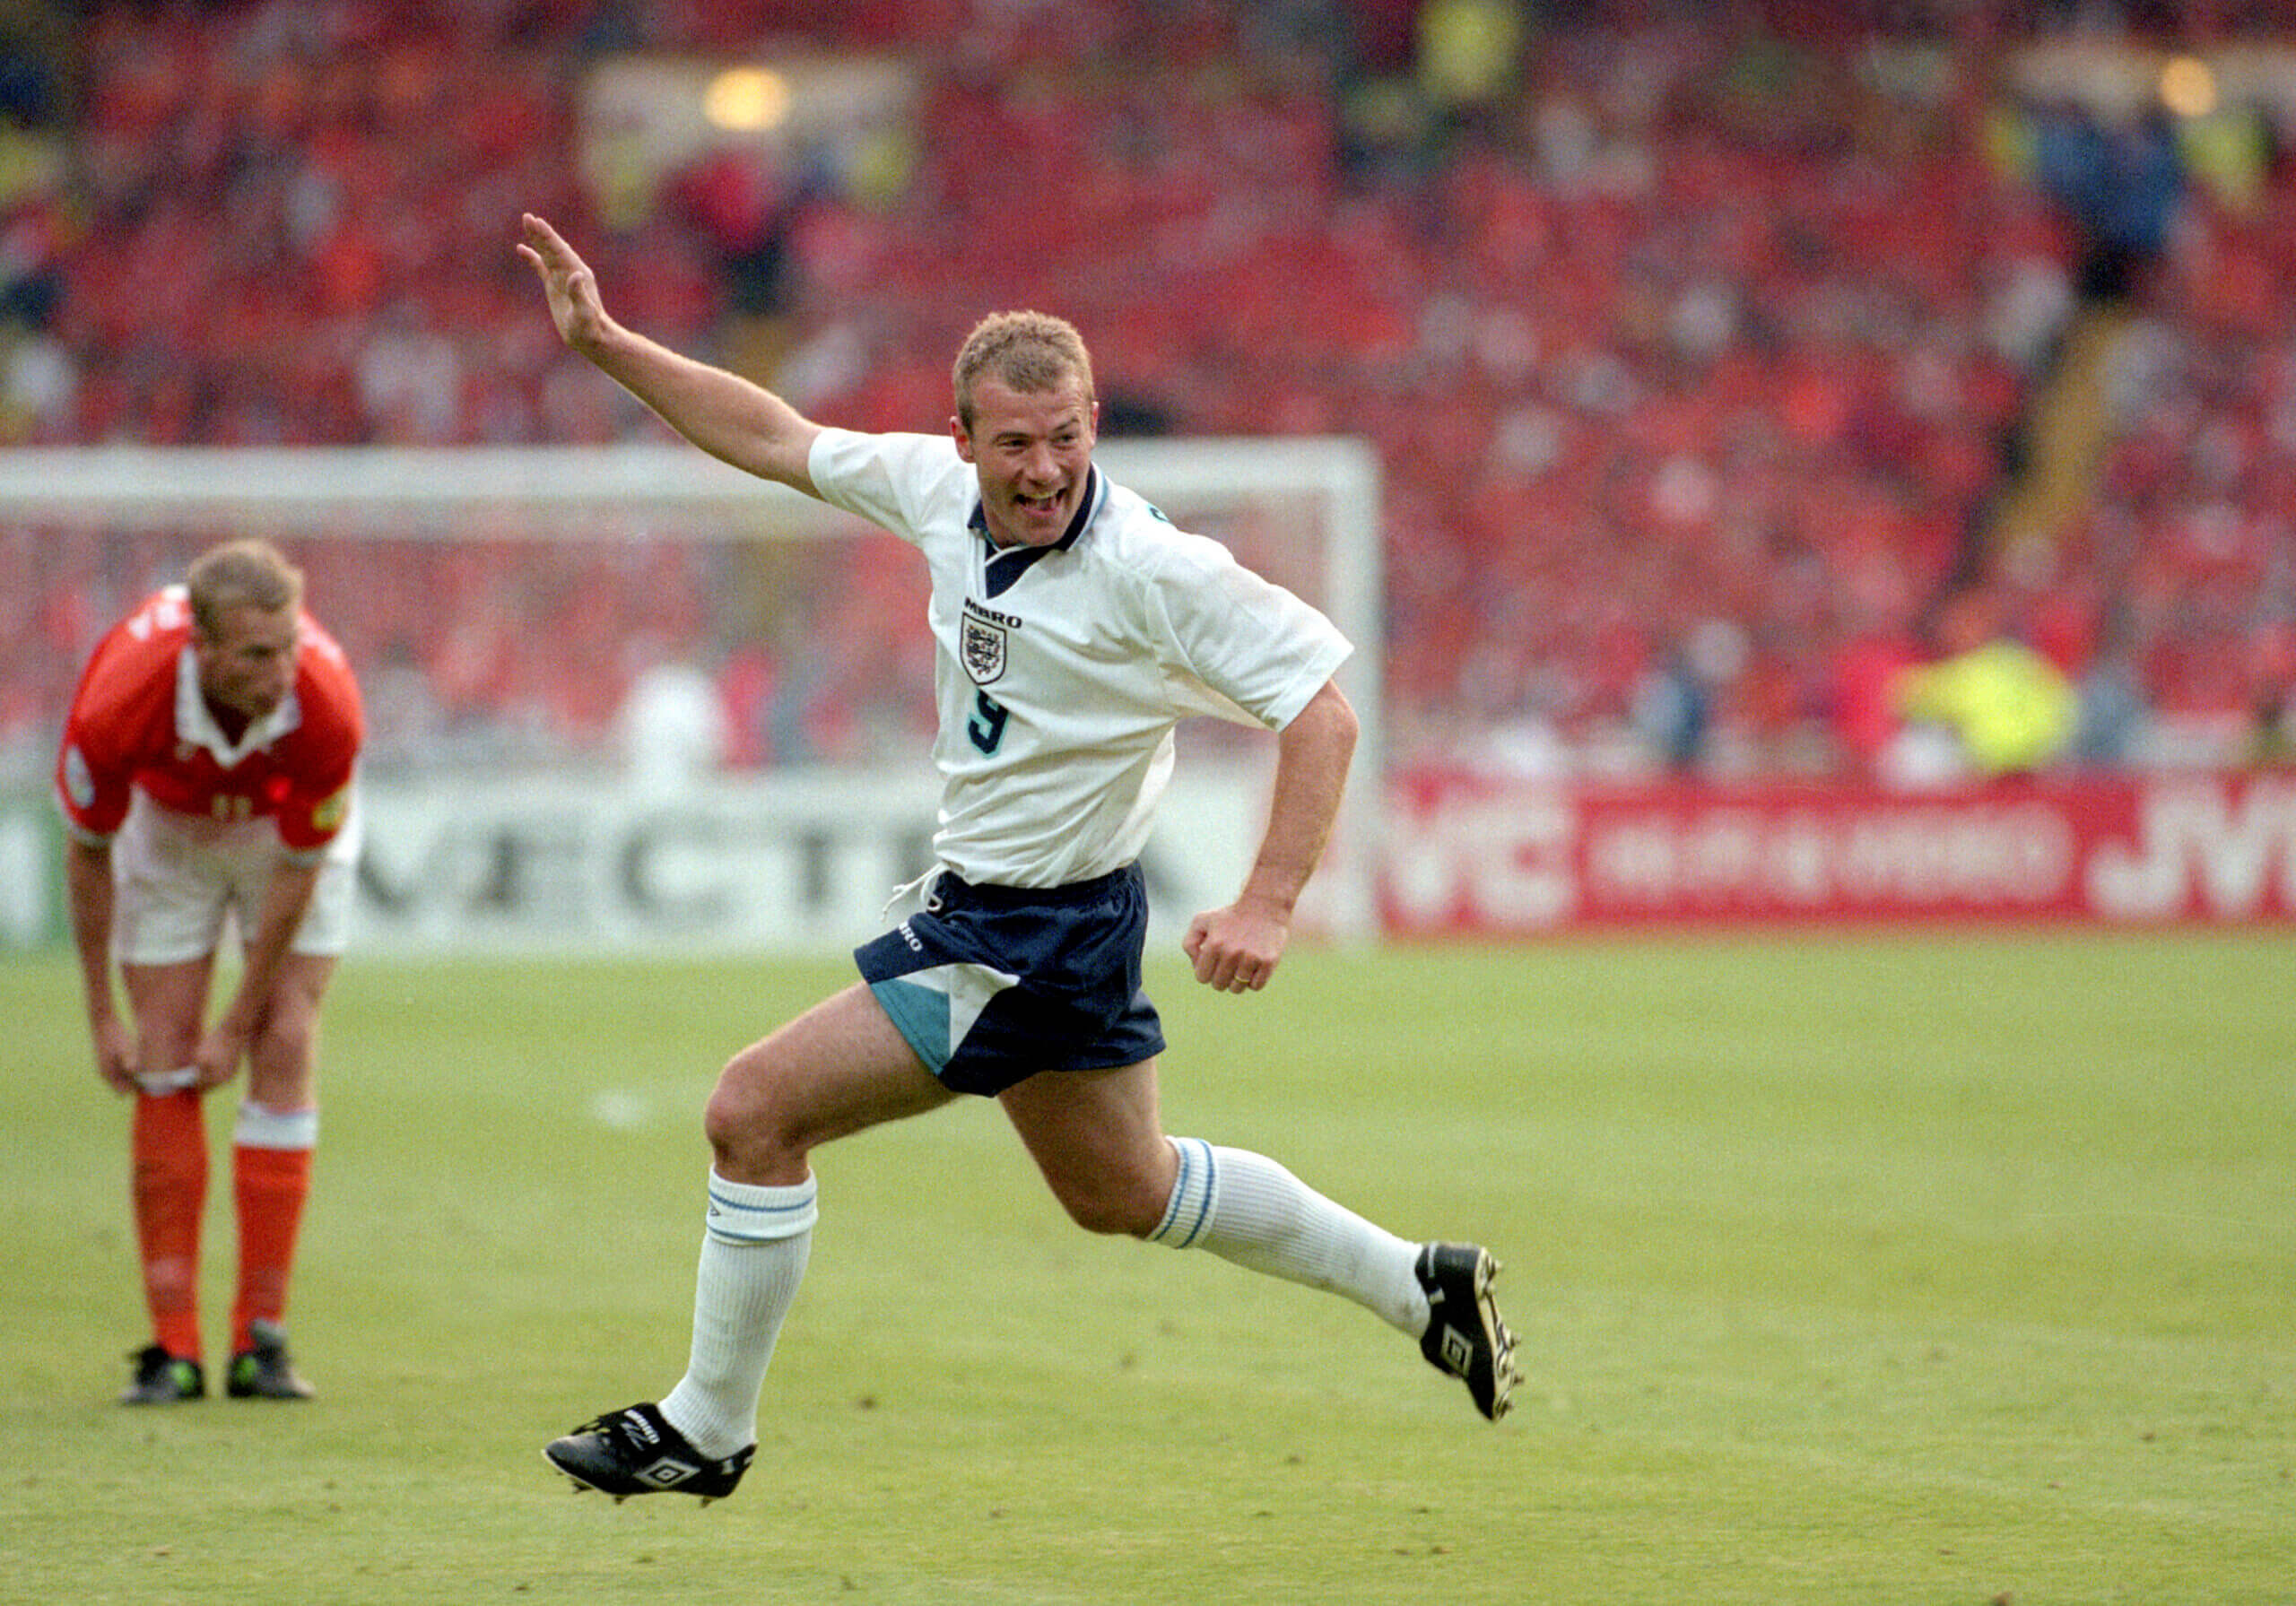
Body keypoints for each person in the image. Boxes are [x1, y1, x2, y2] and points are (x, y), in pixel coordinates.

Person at [516, 211, 1519, 1503]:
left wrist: (1270, 900)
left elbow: (1323, 709)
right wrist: (606, 344)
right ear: (963, 441)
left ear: (1094, 420)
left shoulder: (1154, 569)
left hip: (1022, 937)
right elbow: (770, 434)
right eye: (1015, 444)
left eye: (1067, 437)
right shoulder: (937, 496)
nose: (1045, 469)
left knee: (752, 1109)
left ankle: (707, 1425)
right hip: (1041, 921)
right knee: (1126, 1189)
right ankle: (1413, 1281)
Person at [57, 538, 365, 1404]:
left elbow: (301, 867)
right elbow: (85, 853)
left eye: (289, 646)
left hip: (281, 839)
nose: (280, 670)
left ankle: (259, 1340)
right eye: (258, 654)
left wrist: (239, 1019)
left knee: (285, 1036)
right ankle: (172, 1349)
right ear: (202, 647)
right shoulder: (123, 698)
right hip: (171, 827)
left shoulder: (327, 705)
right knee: (163, 1049)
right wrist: (98, 1014)